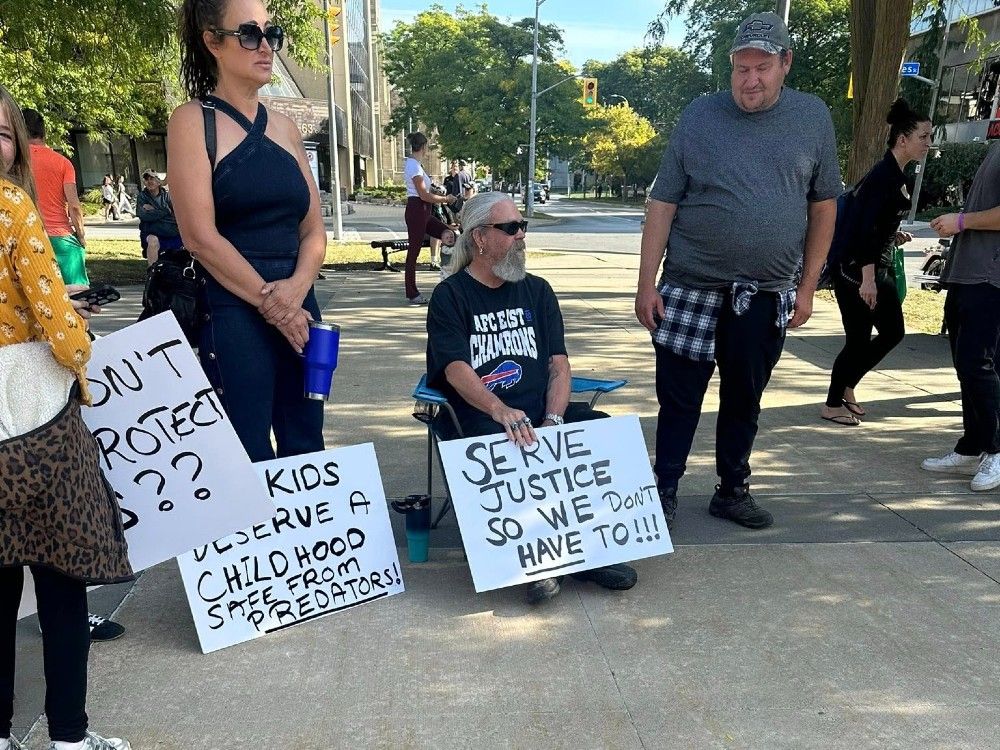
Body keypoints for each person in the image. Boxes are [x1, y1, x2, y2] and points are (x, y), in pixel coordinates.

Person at [634, 11, 841, 530]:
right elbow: (663, 202)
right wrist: (645, 285)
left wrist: (808, 286)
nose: (750, 79)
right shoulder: (699, 116)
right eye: (740, 68)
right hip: (689, 287)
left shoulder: (813, 118)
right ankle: (664, 489)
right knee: (679, 400)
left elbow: (823, 206)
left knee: (745, 399)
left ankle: (731, 489)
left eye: (762, 67)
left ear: (785, 63)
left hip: (767, 292)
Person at [0, 84, 134, 750]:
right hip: (39, 425)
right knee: (60, 584)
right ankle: (70, 738)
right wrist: (82, 352)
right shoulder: (10, 204)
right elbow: (58, 321)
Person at [426, 192, 639, 604]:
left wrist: (554, 420)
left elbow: (559, 365)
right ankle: (540, 561)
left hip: (542, 412)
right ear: (479, 238)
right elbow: (455, 369)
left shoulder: (538, 292)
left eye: (523, 226)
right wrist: (500, 408)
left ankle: (592, 552)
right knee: (508, 440)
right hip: (484, 413)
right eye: (510, 228)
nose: (521, 235)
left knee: (598, 431)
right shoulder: (451, 296)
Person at [169, 0, 328, 462]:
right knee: (247, 448)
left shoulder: (286, 128)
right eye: (249, 34)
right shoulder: (192, 121)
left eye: (271, 34)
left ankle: (311, 536)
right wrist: (272, 304)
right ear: (213, 42)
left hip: (300, 301)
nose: (266, 47)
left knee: (307, 442)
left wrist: (296, 291)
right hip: (234, 305)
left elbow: (314, 231)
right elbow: (199, 235)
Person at [821, 99, 930, 426]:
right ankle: (832, 402)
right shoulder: (884, 176)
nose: (928, 142)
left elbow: (877, 226)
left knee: (886, 334)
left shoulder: (894, 176)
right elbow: (865, 230)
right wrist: (867, 279)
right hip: (857, 271)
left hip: (869, 265)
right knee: (868, 338)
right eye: (923, 136)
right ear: (903, 140)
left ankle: (846, 387)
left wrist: (894, 238)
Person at [925, 138, 1000, 491]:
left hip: (991, 277)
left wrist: (962, 220)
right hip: (967, 274)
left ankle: (996, 448)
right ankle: (973, 445)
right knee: (966, 366)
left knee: (978, 365)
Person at [23, 109, 89, 285]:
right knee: (79, 297)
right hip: (61, 238)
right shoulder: (62, 163)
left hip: (29, 237)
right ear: (44, 132)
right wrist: (80, 236)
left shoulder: (15, 162)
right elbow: (74, 206)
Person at [403, 132, 457, 305]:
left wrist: (438, 193)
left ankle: (448, 277)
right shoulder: (414, 166)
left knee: (448, 234)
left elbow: (427, 192)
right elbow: (423, 195)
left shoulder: (417, 165)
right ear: (424, 147)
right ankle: (412, 293)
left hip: (425, 212)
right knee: (414, 252)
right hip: (417, 210)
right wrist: (446, 199)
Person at [135, 168, 183, 265]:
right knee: (153, 241)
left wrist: (153, 210)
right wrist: (165, 211)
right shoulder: (142, 196)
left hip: (172, 233)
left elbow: (178, 214)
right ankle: (152, 272)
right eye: (147, 179)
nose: (149, 181)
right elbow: (143, 216)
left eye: (152, 179)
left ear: (158, 182)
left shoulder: (167, 196)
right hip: (152, 233)